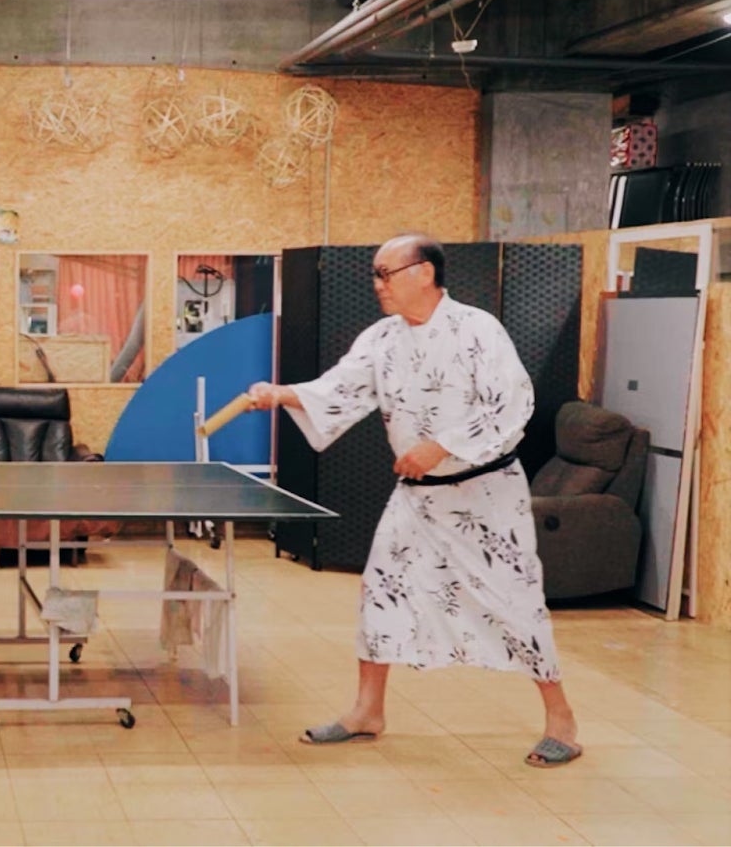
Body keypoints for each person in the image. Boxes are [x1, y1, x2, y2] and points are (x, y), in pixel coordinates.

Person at [246, 234, 581, 768]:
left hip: (486, 496)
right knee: (380, 590)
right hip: (417, 499)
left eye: (386, 273)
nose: (378, 285)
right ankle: (367, 711)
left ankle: (561, 719)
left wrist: (441, 446)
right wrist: (280, 394)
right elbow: (340, 390)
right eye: (375, 275)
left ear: (424, 272)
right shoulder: (381, 338)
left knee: (514, 601)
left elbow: (512, 404)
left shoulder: (477, 330)